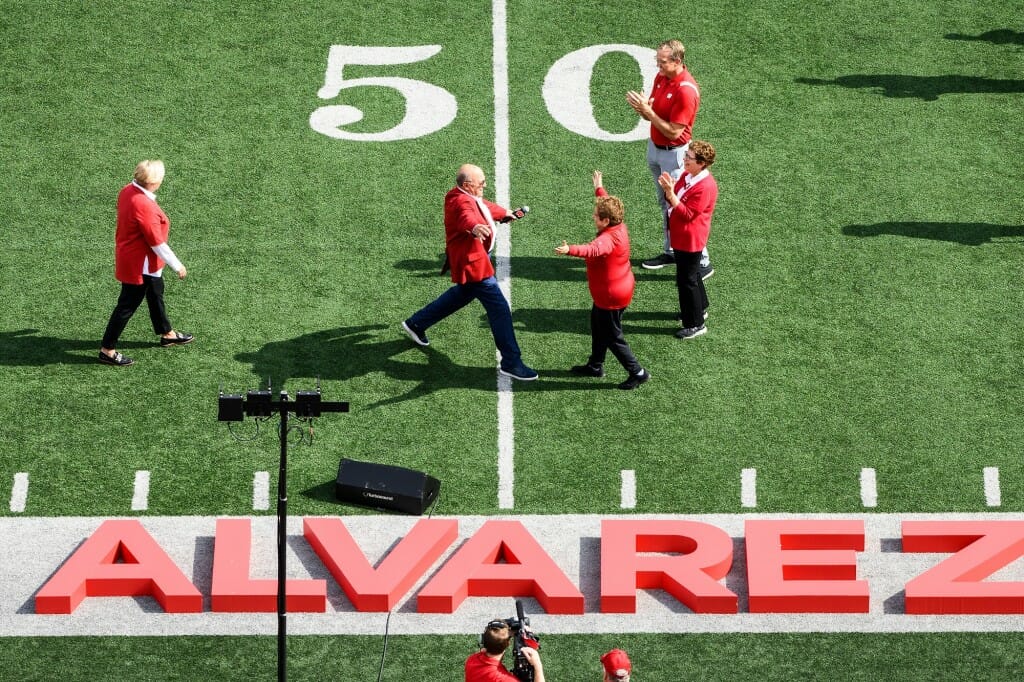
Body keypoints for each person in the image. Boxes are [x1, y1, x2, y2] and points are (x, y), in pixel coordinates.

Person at [402, 164, 537, 381]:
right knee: (500, 309)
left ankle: (416, 323)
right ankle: (511, 362)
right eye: (481, 182)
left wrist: (505, 214)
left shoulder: (463, 195)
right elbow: (467, 216)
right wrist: (475, 227)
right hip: (474, 265)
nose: (485, 185)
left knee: (461, 295)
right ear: (467, 185)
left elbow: (481, 206)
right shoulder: (459, 202)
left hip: (475, 260)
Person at [626, 39, 713, 279]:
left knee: (679, 207)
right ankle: (672, 250)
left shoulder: (686, 90)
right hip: (656, 147)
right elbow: (654, 116)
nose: (658, 66)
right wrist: (645, 109)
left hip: (674, 154)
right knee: (666, 204)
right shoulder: (662, 78)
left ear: (677, 61)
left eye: (662, 62)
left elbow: (674, 131)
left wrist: (648, 112)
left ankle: (703, 261)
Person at [555, 171, 649, 390]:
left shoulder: (607, 239)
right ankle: (595, 365)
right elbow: (609, 205)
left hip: (611, 295)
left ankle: (638, 372)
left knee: (613, 337)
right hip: (616, 289)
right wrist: (599, 188)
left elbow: (592, 249)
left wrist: (570, 249)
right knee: (598, 327)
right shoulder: (618, 225)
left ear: (606, 220)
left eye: (596, 215)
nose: (593, 217)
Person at [99, 160, 192, 366]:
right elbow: (157, 243)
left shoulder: (127, 191)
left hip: (136, 258)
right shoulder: (144, 206)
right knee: (127, 305)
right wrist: (178, 265)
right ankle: (107, 349)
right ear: (154, 183)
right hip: (140, 264)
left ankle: (167, 333)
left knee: (155, 292)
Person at [657, 140, 718, 340]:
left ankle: (695, 324)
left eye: (689, 158)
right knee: (692, 276)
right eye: (685, 156)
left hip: (690, 239)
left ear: (701, 163)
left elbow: (687, 213)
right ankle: (700, 308)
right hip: (683, 236)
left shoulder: (706, 186)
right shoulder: (688, 175)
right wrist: (670, 191)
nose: (684, 160)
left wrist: (669, 192)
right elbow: (677, 201)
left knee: (686, 281)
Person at [465, 620, 545, 682]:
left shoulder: (471, 660)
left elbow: (491, 640)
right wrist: (538, 664)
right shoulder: (506, 680)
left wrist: (504, 634)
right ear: (508, 644)